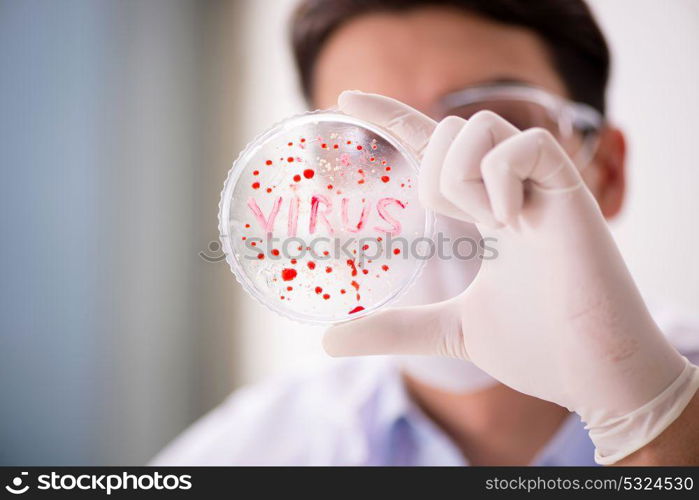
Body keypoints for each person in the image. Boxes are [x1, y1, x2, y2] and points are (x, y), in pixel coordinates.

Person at [151, 0, 699, 466]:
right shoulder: (241, 458)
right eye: (363, 148)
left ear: (605, 171)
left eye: (491, 123)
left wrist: (656, 426)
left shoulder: (673, 413)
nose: (428, 188)